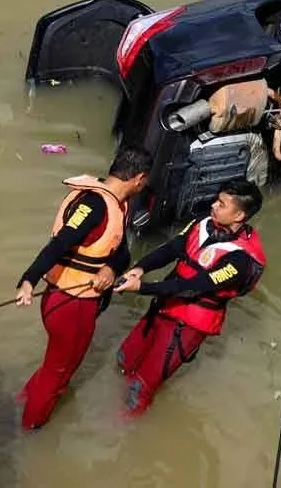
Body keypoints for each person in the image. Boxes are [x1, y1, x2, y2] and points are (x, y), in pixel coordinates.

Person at [14, 145, 152, 430]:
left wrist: (111, 268)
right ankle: (31, 427)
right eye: (145, 181)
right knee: (60, 369)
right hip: (69, 303)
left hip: (72, 299)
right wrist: (28, 279)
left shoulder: (117, 202)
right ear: (139, 179)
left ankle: (26, 397)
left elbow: (122, 252)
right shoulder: (95, 205)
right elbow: (60, 243)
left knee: (56, 363)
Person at [113, 179, 266, 418]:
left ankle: (120, 429)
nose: (214, 205)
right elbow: (173, 248)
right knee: (124, 359)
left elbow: (194, 286)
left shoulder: (240, 260)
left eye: (222, 204)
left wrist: (142, 288)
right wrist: (140, 268)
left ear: (239, 216)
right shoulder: (203, 223)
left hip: (189, 323)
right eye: (217, 199)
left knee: (141, 387)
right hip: (165, 303)